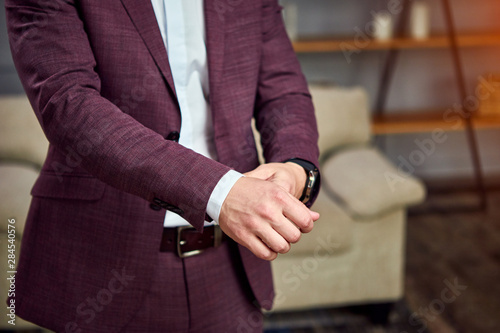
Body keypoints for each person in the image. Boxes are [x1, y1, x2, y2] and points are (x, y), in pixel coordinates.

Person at [5, 0, 320, 332]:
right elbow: (69, 106)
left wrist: (294, 168)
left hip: (231, 261)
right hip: (101, 263)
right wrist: (221, 192)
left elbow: (284, 90)